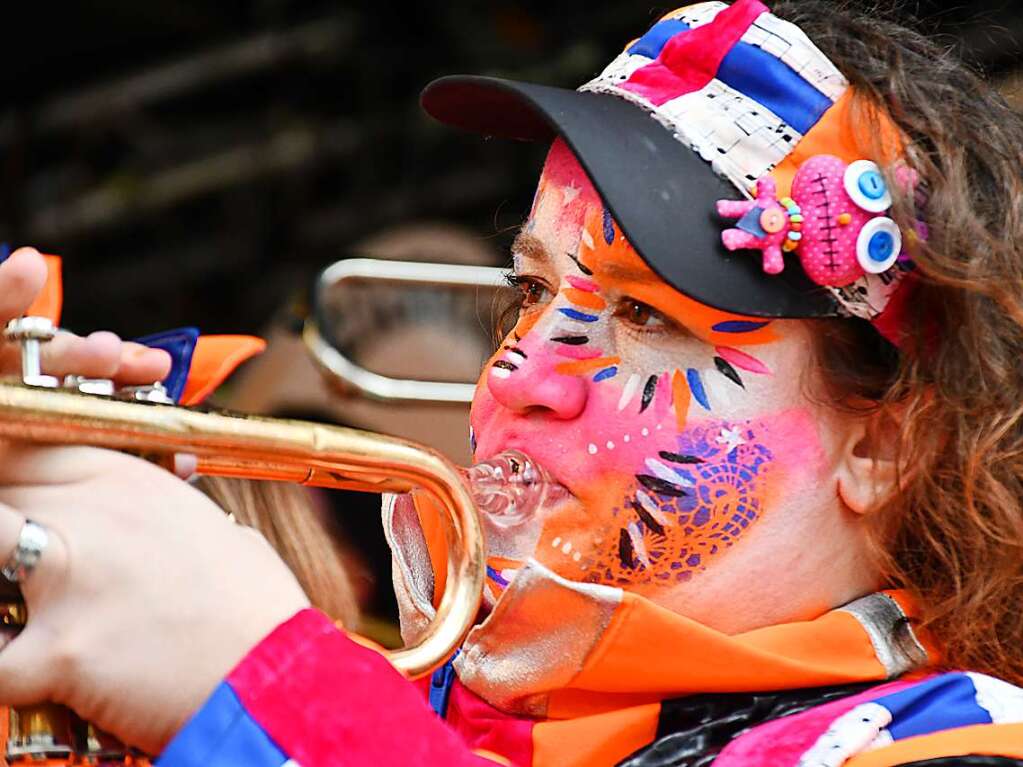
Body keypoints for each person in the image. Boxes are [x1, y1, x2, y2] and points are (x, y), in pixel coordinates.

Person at [0, 0, 1022, 764]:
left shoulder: (960, 743)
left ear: (887, 443)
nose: (520, 371)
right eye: (532, 289)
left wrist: (267, 687)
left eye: (647, 315)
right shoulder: (436, 708)